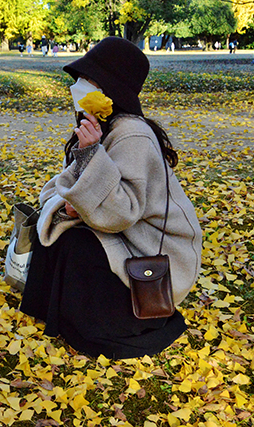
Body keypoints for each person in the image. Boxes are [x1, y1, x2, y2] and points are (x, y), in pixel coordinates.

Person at [20, 37, 202, 359]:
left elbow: (123, 212)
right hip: (128, 234)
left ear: (108, 88)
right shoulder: (103, 126)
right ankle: (61, 314)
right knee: (59, 233)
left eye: (85, 80)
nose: (77, 87)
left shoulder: (133, 135)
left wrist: (91, 156)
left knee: (79, 247)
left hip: (156, 251)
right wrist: (72, 201)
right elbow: (76, 185)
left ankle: (103, 327)